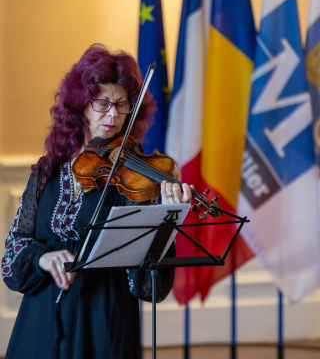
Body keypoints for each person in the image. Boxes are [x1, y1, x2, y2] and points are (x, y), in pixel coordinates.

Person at [1, 44, 192, 359]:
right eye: (102, 103)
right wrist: (43, 258)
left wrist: (165, 220)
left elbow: (151, 286)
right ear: (80, 106)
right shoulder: (47, 171)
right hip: (41, 322)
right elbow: (12, 253)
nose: (113, 115)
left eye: (122, 104)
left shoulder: (135, 180)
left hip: (104, 324)